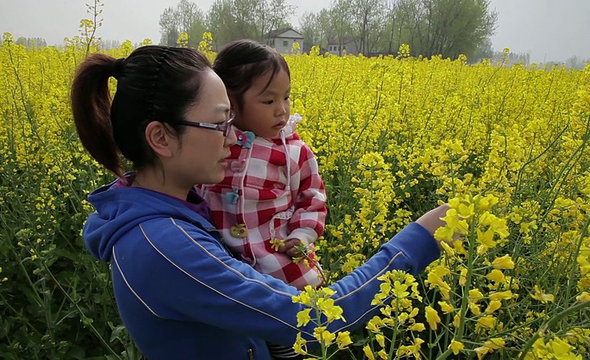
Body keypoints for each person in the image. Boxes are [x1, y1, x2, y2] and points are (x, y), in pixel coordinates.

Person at [71, 45, 448, 360]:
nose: (234, 141)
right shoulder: (165, 247)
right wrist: (418, 240)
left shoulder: (181, 214)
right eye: (221, 124)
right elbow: (315, 321)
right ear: (162, 138)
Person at [199, 39, 327, 294]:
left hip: (280, 265)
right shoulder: (213, 143)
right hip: (223, 265)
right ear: (231, 104)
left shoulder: (294, 151)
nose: (282, 110)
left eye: (287, 97)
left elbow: (313, 198)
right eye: (268, 102)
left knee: (304, 319)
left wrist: (301, 236)